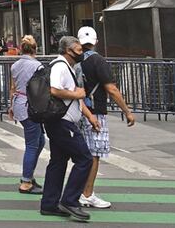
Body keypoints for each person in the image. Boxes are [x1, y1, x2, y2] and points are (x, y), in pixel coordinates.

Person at [40, 35, 100, 222]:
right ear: (68, 50)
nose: (81, 52)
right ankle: (70, 200)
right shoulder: (60, 66)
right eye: (78, 49)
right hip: (62, 122)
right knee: (84, 158)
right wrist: (76, 93)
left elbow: (74, 98)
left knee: (58, 161)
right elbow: (55, 90)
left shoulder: (68, 67)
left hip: (63, 121)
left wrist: (89, 116)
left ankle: (49, 204)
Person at [76, 26, 134, 209]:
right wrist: (126, 110)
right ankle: (87, 194)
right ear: (96, 42)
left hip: (77, 110)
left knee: (82, 155)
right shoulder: (98, 61)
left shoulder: (75, 60)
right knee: (94, 154)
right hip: (95, 112)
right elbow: (111, 89)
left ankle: (78, 191)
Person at [8, 35, 44, 194]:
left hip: (19, 104)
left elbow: (13, 87)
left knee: (40, 141)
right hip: (31, 107)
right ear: (35, 49)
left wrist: (11, 106)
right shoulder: (38, 66)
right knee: (32, 144)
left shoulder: (15, 65)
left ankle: (29, 175)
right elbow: (41, 90)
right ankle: (26, 181)